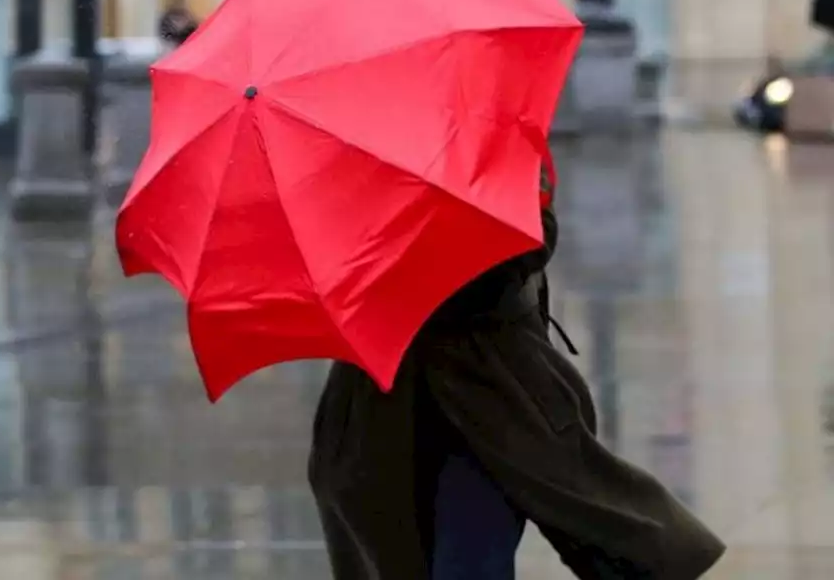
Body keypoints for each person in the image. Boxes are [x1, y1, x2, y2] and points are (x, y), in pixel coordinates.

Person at [308, 158, 726, 579]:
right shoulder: (340, 164)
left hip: (494, 397)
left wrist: (437, 238)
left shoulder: (491, 136)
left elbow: (526, 246)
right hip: (381, 403)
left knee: (473, 558)